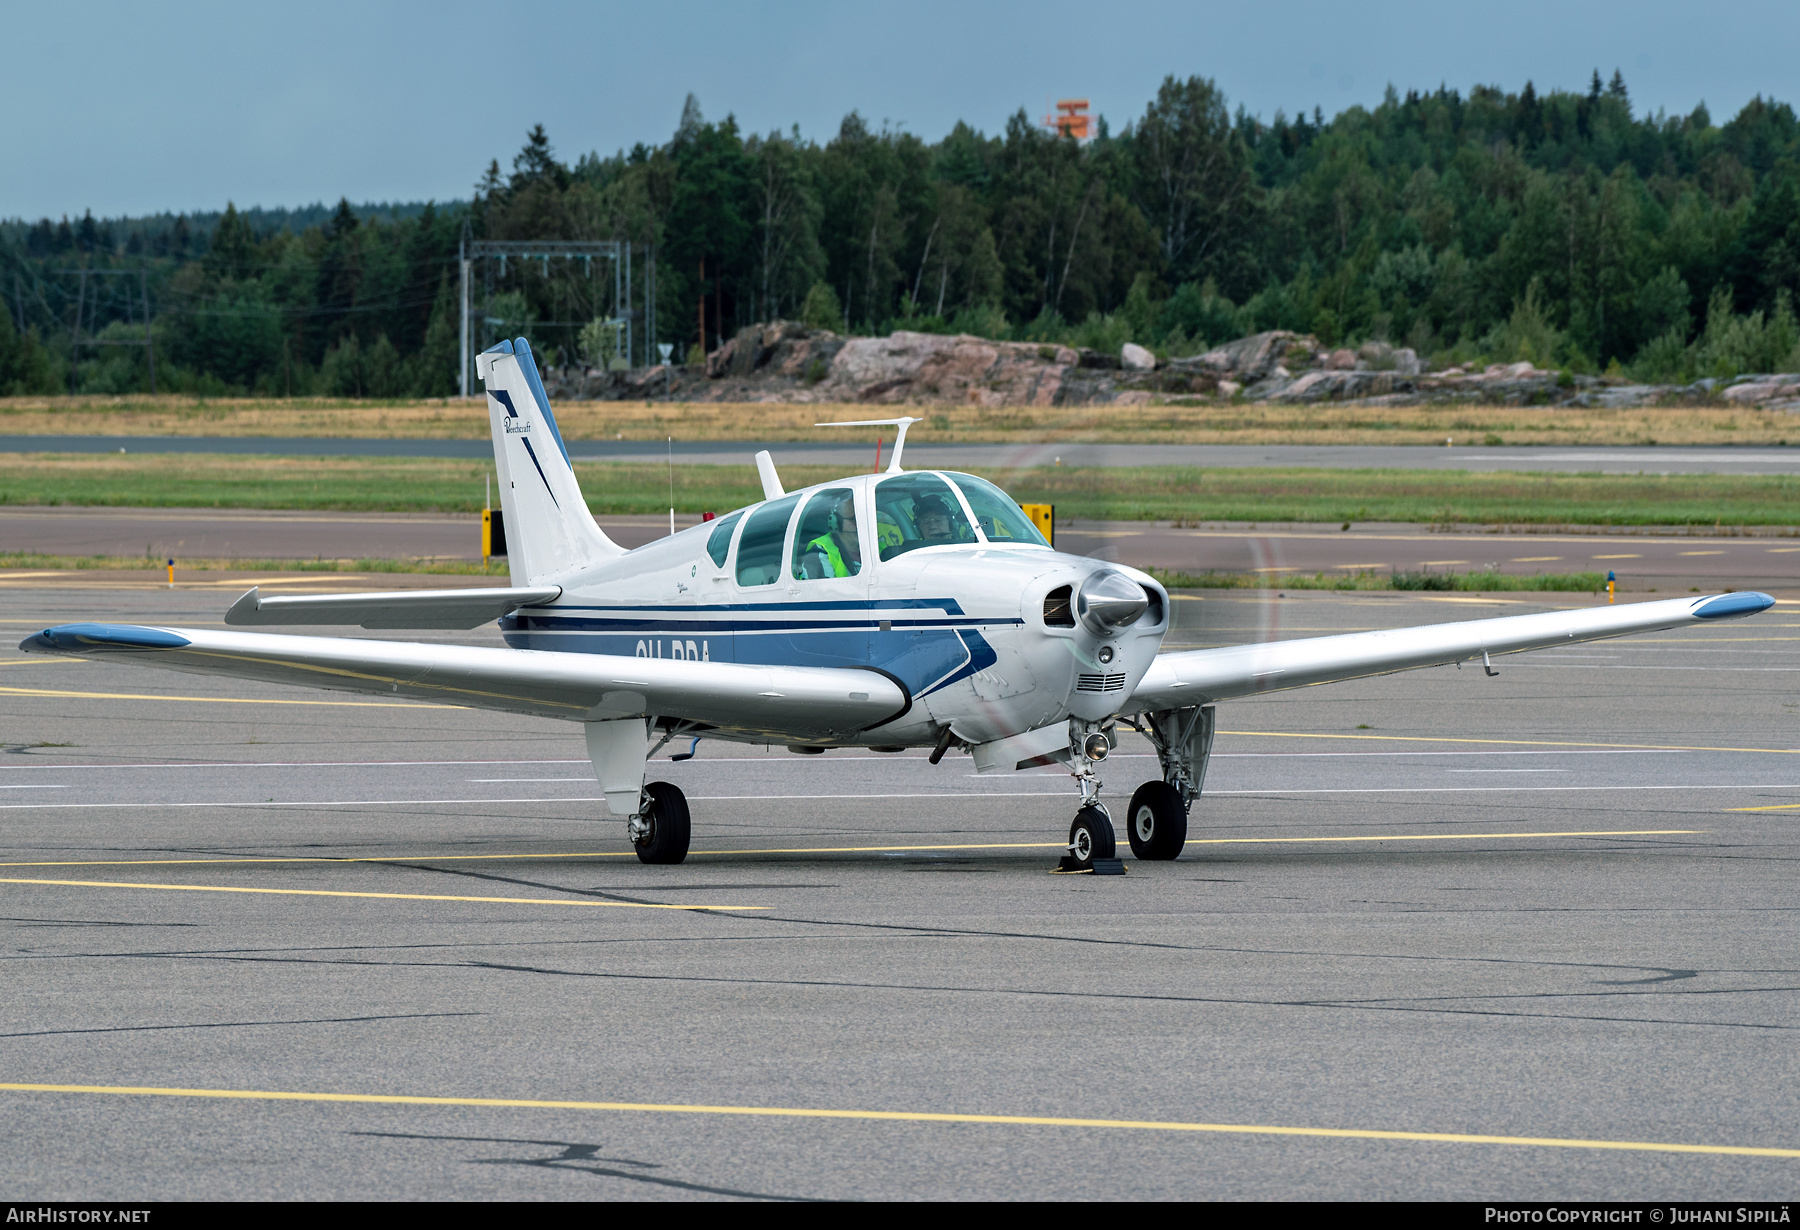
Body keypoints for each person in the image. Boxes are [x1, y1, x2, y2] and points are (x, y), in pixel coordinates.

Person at [802, 494, 861, 577]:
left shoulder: (878, 543)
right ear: (836, 523)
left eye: (862, 518)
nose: (860, 524)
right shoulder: (819, 553)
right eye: (854, 519)